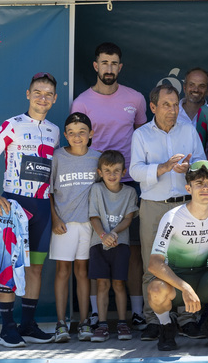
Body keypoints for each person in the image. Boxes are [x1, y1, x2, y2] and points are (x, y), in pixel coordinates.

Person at [0, 71, 61, 347]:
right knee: (7, 269)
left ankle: (27, 325)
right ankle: (7, 328)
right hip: (13, 205)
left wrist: (53, 212)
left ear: (54, 99)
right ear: (28, 95)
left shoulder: (54, 131)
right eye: (37, 92)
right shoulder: (11, 125)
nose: (42, 98)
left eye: (48, 94)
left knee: (35, 269)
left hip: (41, 206)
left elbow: (50, 175)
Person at [71, 41, 148, 330]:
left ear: (120, 67)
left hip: (131, 182)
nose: (109, 68)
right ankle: (94, 315)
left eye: (114, 63)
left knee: (133, 251)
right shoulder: (82, 102)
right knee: (95, 250)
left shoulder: (136, 99)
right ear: (95, 66)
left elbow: (144, 138)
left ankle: (137, 312)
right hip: (94, 184)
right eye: (104, 63)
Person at [130, 81, 206, 339]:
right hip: (153, 206)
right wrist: (162, 167)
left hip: (186, 205)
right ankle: (154, 319)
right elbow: (135, 171)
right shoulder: (141, 134)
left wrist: (191, 169)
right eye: (166, 105)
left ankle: (187, 318)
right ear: (152, 106)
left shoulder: (188, 131)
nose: (172, 110)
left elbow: (202, 161)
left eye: (175, 104)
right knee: (151, 264)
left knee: (187, 262)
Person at [147, 160, 208, 351]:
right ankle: (166, 327)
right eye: (199, 184)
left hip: (202, 276)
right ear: (188, 188)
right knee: (155, 289)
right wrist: (185, 287)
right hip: (175, 281)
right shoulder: (172, 217)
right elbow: (154, 264)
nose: (205, 188)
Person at [48, 112, 101, 342]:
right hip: (64, 224)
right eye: (71, 133)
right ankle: (61, 323)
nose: (76, 137)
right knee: (63, 272)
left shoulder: (98, 158)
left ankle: (84, 322)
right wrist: (54, 219)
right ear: (65, 135)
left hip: (89, 225)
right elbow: (48, 192)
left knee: (83, 272)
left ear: (91, 134)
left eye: (82, 132)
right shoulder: (57, 156)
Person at [87, 151, 139, 341]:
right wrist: (103, 235)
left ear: (124, 171)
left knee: (119, 284)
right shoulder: (96, 190)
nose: (112, 174)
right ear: (100, 172)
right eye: (107, 170)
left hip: (121, 243)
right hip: (98, 244)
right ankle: (102, 325)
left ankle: (122, 323)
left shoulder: (130, 192)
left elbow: (128, 218)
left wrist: (114, 233)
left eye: (116, 170)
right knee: (102, 284)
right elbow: (94, 216)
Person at [180, 67, 208, 131]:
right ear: (184, 88)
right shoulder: (171, 112)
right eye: (191, 85)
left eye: (202, 86)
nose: (196, 90)